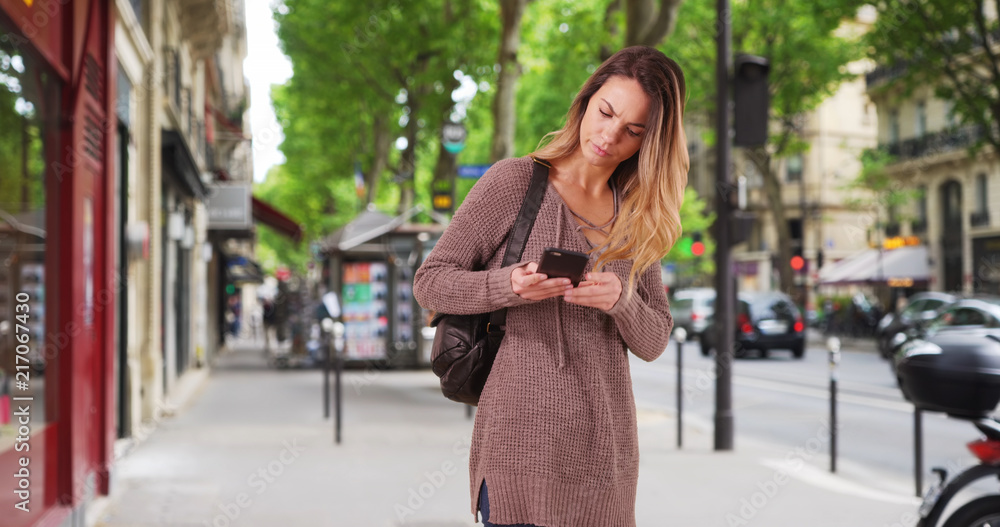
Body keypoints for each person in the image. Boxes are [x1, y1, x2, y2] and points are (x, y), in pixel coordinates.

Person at [413, 46, 687, 527]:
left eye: (633, 131)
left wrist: (621, 303)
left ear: (650, 142)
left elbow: (655, 338)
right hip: (519, 447)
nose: (609, 135)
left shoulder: (638, 217)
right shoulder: (513, 182)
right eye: (605, 113)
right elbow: (431, 283)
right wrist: (509, 286)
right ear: (586, 101)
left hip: (606, 457)